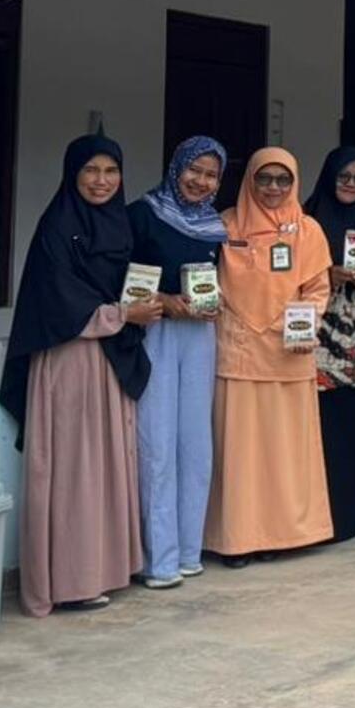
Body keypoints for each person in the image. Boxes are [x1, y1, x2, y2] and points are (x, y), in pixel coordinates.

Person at [0, 135, 158, 615]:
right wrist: (122, 315)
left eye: (111, 171)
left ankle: (105, 570)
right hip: (71, 358)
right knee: (75, 469)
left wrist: (141, 307)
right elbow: (59, 300)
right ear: (73, 174)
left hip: (110, 359)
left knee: (107, 465)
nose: (101, 181)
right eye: (91, 170)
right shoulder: (57, 227)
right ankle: (68, 581)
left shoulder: (119, 225)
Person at [205, 149, 334, 567]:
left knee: (284, 451)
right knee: (238, 451)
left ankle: (283, 533)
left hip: (288, 352)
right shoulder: (225, 225)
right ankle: (237, 538)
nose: (273, 188)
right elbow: (208, 281)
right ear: (250, 180)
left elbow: (317, 290)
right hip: (239, 350)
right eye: (265, 178)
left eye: (283, 180)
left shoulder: (308, 230)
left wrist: (300, 324)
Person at [126, 135, 226, 588]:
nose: (201, 182)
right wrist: (166, 301)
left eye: (211, 175)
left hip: (200, 335)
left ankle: (188, 551)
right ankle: (159, 560)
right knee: (157, 443)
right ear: (175, 167)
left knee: (196, 444)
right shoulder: (142, 215)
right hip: (156, 333)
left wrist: (214, 303)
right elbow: (121, 280)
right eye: (194, 170)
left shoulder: (214, 226)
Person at [304, 146, 355, 543]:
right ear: (329, 176)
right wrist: (325, 276)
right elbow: (285, 278)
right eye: (344, 176)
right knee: (320, 431)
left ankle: (353, 512)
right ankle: (320, 517)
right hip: (315, 339)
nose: (351, 184)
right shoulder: (306, 221)